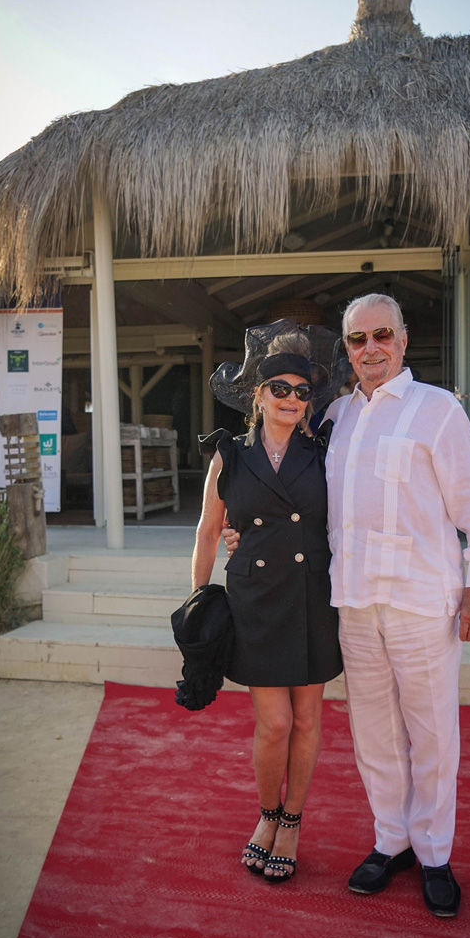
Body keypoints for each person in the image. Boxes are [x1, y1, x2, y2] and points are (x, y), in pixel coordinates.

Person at [323, 293, 470, 917]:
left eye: (382, 335)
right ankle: (391, 841)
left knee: (431, 735)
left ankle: (433, 853)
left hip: (422, 601)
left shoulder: (438, 409)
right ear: (347, 349)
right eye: (357, 339)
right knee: (373, 732)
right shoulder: (336, 416)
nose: (370, 348)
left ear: (403, 340)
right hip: (354, 601)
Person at [191, 322, 347, 884]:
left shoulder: (326, 452)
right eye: (279, 388)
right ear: (257, 395)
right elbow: (209, 531)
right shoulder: (228, 456)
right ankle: (267, 812)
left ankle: (292, 822)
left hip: (312, 598)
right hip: (256, 599)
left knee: (306, 719)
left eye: (301, 391)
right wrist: (198, 602)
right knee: (275, 723)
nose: (291, 399)